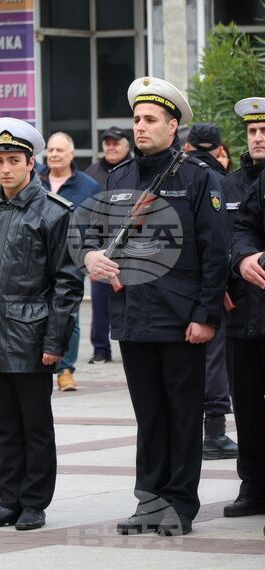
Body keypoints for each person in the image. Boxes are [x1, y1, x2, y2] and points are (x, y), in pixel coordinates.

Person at [83, 77, 228, 536]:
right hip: (134, 316)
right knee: (149, 415)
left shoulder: (198, 178)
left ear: (173, 126)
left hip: (180, 318)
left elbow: (215, 252)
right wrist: (91, 256)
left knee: (183, 414)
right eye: (137, 120)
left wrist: (205, 316)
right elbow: (95, 236)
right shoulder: (119, 176)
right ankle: (149, 501)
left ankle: (180, 505)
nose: (139, 128)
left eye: (150, 120)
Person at [0, 118, 82, 532]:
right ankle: (8, 501)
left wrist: (55, 340)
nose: (5, 169)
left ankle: (34, 502)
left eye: (14, 161)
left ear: (31, 164)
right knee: (5, 427)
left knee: (35, 425)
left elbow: (67, 282)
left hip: (32, 331)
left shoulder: (54, 213)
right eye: (0, 160)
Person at [183, 123, 240, 460]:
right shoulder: (220, 180)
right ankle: (214, 434)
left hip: (177, 286)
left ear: (188, 147)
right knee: (214, 359)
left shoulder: (177, 175)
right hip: (214, 287)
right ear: (220, 150)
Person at [223, 97, 265, 519]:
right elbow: (217, 241)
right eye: (252, 130)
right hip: (240, 315)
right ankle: (253, 486)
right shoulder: (229, 185)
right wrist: (222, 277)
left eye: (264, 130)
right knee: (247, 407)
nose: (257, 137)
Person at [39, 133, 99, 392]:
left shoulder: (88, 186)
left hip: (73, 258)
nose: (53, 154)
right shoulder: (34, 180)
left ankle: (66, 370)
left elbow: (99, 224)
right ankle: (42, 364)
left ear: (72, 154)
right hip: (37, 257)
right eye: (50, 149)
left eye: (59, 150)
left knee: (69, 314)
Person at [83, 127, 133, 364]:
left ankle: (133, 344)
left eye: (116, 142)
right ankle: (101, 349)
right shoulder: (92, 172)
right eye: (107, 143)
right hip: (101, 248)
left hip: (132, 250)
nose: (111, 147)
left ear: (127, 145)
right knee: (100, 301)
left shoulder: (135, 169)